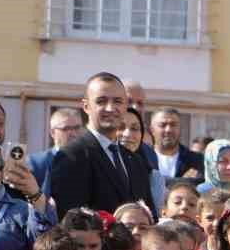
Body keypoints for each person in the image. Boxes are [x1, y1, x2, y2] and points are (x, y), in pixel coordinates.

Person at [49, 73, 153, 215]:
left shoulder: (135, 160)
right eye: (101, 101)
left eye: (117, 101)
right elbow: (71, 221)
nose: (110, 108)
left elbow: (149, 216)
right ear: (86, 106)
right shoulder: (72, 156)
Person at [29, 106, 87, 199]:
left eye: (77, 128)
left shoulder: (90, 160)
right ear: (52, 132)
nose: (73, 134)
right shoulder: (37, 163)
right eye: (66, 129)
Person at [150, 108, 205, 181]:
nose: (168, 130)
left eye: (173, 125)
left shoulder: (198, 161)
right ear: (152, 130)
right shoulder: (143, 159)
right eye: (162, 125)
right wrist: (182, 181)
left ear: (180, 128)